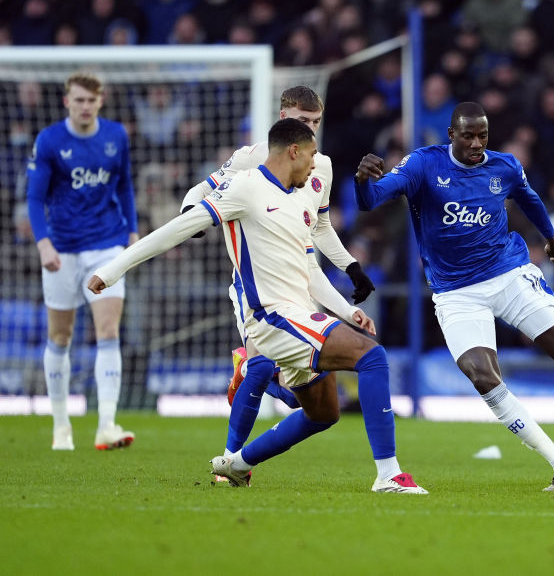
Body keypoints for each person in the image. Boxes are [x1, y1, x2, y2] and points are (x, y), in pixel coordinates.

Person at [89, 118, 426, 493]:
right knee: (372, 357)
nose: (315, 165)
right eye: (311, 155)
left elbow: (309, 268)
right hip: (272, 318)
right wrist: (113, 269)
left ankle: (237, 464)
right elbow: (176, 230)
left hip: (300, 315)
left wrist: (347, 311)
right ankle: (388, 475)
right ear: (293, 151)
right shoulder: (244, 187)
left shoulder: (299, 200)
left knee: (323, 412)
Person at [354, 102, 554, 491]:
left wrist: (550, 237)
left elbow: (528, 198)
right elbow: (371, 199)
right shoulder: (423, 164)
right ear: (451, 135)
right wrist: (362, 181)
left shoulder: (505, 166)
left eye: (482, 135)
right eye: (468, 136)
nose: (476, 143)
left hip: (509, 274)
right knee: (481, 375)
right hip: (455, 292)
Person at [178, 86, 377, 479]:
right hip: (254, 281)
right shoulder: (250, 158)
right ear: (283, 117)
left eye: (316, 121)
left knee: (303, 396)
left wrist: (351, 267)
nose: (311, 129)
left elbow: (320, 226)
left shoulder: (321, 166)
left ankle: (253, 375)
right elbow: (202, 189)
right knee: (261, 364)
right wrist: (190, 216)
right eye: (303, 121)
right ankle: (230, 463)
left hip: (298, 281)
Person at [26, 72, 138, 452]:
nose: (85, 106)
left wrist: (132, 232)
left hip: (106, 244)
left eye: (91, 100)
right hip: (62, 249)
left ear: (100, 101)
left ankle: (106, 424)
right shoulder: (50, 140)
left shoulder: (116, 136)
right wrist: (43, 244)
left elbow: (124, 185)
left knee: (108, 329)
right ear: (67, 102)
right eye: (79, 100)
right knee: (60, 336)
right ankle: (61, 427)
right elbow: (34, 197)